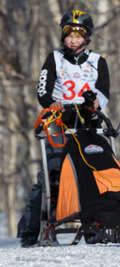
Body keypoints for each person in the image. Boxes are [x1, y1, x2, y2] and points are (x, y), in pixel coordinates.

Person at [17, 9, 110, 247]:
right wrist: (52, 104)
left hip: (88, 122)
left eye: (79, 34)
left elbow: (103, 92)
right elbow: (42, 91)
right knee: (52, 174)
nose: (73, 39)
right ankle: (32, 229)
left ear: (87, 37)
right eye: (69, 34)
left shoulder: (98, 61)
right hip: (59, 121)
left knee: (92, 171)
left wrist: (96, 102)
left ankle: (96, 226)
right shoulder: (54, 59)